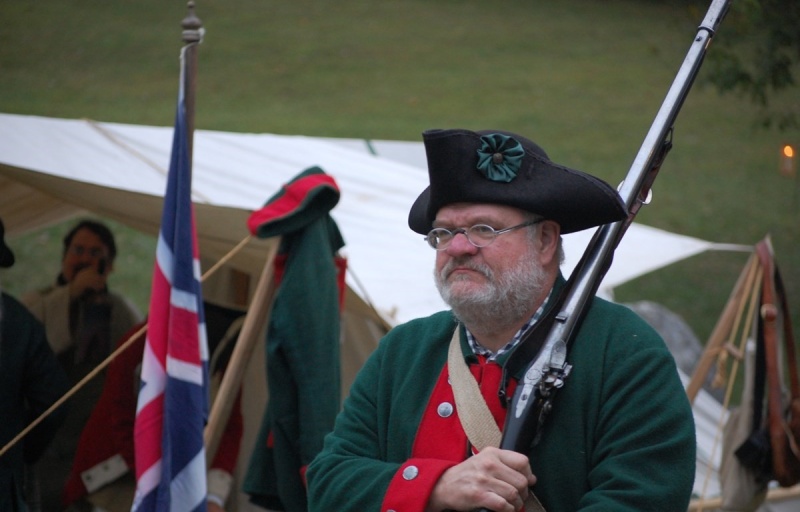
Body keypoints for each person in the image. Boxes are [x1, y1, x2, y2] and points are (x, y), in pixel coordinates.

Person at [306, 128, 696, 511]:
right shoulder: (404, 350)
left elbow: (641, 498)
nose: (457, 247)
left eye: (483, 229)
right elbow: (328, 483)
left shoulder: (625, 351)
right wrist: (438, 485)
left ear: (544, 240)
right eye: (443, 233)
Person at [21, 219, 143, 511]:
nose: (86, 259)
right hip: (45, 440)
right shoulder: (37, 302)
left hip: (92, 442)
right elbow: (28, 348)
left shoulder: (122, 310)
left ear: (110, 265)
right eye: (78, 250)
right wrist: (72, 295)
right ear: (64, 257)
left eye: (96, 253)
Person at [0, 216, 69, 511]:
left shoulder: (20, 322)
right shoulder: (18, 321)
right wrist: (18, 450)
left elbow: (52, 402)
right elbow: (53, 403)